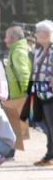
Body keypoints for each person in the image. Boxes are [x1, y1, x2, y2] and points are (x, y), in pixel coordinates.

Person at [2, 24, 32, 152]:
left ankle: (10, 152)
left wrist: (26, 93)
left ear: (13, 37)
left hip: (20, 94)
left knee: (15, 125)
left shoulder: (18, 51)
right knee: (15, 125)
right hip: (17, 93)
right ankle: (12, 151)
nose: (4, 40)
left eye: (6, 36)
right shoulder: (17, 50)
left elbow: (24, 73)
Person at [30, 20, 53, 166]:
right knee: (46, 124)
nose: (35, 35)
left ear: (46, 34)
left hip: (50, 92)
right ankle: (49, 154)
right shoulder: (38, 50)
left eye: (38, 32)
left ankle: (51, 156)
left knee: (52, 125)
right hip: (40, 91)